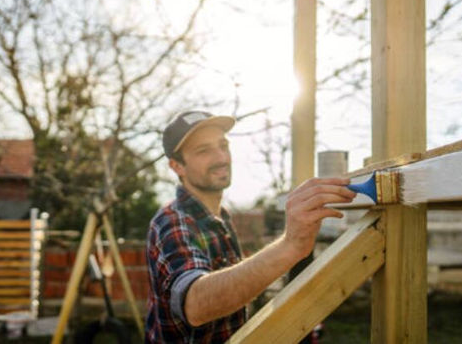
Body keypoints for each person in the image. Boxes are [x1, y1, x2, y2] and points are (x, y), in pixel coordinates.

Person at [145, 111, 357, 343]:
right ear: (177, 166)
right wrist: (290, 245)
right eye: (203, 151)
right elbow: (196, 304)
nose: (221, 157)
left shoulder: (220, 218)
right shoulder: (172, 221)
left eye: (223, 145)